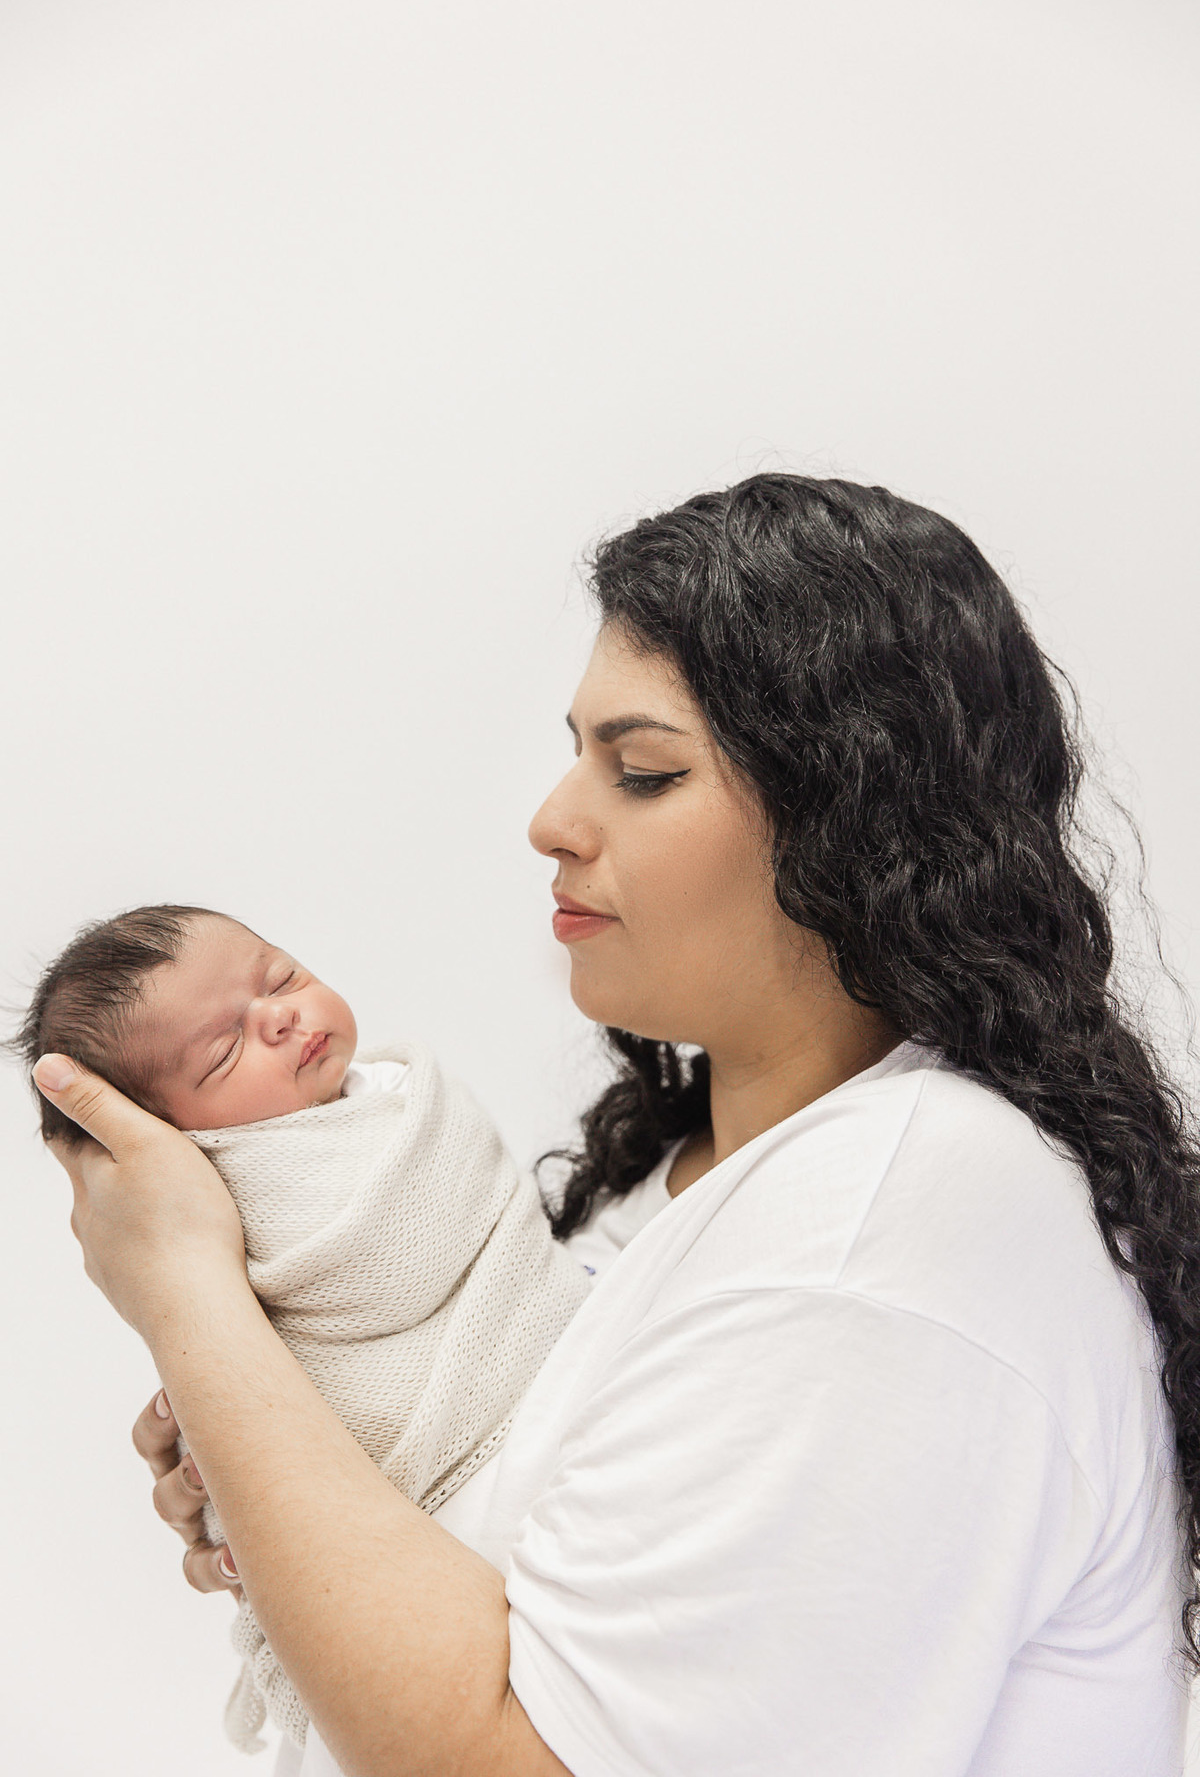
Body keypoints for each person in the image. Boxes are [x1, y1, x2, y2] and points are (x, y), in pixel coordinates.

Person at [36, 475, 1200, 1776]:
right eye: (578, 752)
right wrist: (273, 1453)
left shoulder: (875, 1250)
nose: (552, 819)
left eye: (643, 772)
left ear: (853, 818)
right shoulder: (701, 1180)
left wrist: (189, 1301)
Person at [13, 903, 588, 1753]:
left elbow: (489, 1233)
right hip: (428, 1530)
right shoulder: (229, 1187)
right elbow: (354, 1291)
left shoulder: (404, 1098)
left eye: (279, 976)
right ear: (160, 1138)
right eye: (223, 1051)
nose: (280, 1016)